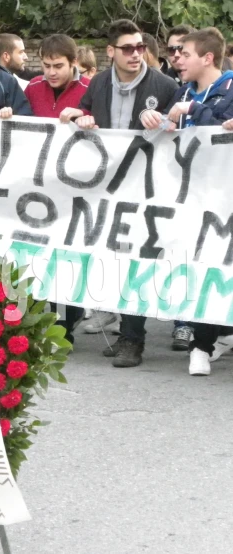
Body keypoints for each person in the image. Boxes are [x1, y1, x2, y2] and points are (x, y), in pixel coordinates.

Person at [59, 19, 178, 368]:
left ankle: (133, 339)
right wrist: (81, 118)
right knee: (112, 260)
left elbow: (184, 133)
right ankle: (121, 329)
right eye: (127, 48)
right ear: (111, 51)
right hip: (106, 188)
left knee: (135, 261)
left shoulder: (164, 85)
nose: (136, 54)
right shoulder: (98, 83)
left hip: (147, 186)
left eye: (140, 47)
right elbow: (87, 115)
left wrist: (168, 123)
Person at [141, 27, 233, 376]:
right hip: (194, 199)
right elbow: (165, 134)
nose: (176, 58)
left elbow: (219, 125)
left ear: (207, 57)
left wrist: (192, 108)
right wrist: (151, 121)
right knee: (201, 266)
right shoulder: (182, 91)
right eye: (175, 53)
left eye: (184, 53)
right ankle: (201, 344)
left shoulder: (229, 86)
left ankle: (219, 334)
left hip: (226, 195)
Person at [24, 34, 91, 343]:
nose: (51, 72)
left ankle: (72, 317)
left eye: (58, 66)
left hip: (78, 187)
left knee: (71, 252)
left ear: (74, 64)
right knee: (42, 252)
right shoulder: (33, 88)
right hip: (39, 185)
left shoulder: (89, 90)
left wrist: (85, 117)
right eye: (46, 65)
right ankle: (47, 319)